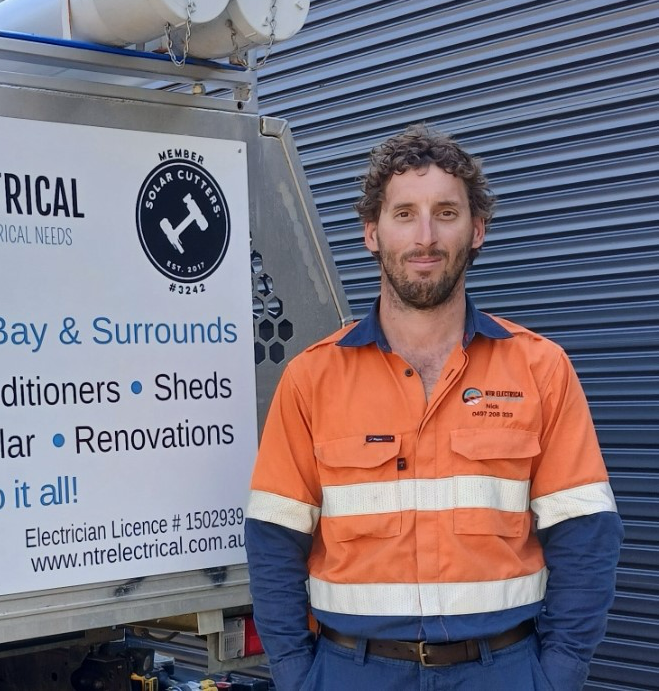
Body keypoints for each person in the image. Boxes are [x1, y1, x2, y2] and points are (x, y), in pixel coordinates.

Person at [245, 123, 622, 691]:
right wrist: (298, 677)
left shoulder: (540, 369)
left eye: (447, 213)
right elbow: (274, 540)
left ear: (478, 230)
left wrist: (558, 673)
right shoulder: (311, 379)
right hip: (351, 672)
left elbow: (585, 533)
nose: (426, 236)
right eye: (404, 215)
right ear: (372, 232)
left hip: (506, 672)